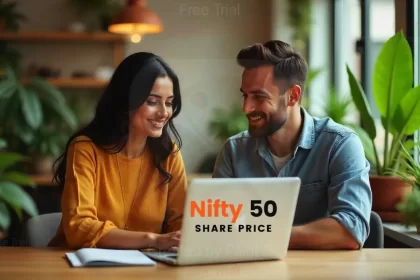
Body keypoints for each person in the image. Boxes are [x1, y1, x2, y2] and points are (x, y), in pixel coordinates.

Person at [212, 40, 372, 250]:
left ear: (293, 96)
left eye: (259, 97)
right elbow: (215, 227)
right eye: (245, 95)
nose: (246, 107)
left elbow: (351, 230)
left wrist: (263, 234)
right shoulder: (234, 151)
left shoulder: (339, 145)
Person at [48, 52, 186, 250]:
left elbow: (182, 222)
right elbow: (79, 227)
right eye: (152, 101)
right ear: (126, 101)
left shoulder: (168, 154)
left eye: (169, 102)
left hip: (147, 268)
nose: (164, 112)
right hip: (76, 266)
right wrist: (152, 240)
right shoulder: (86, 149)